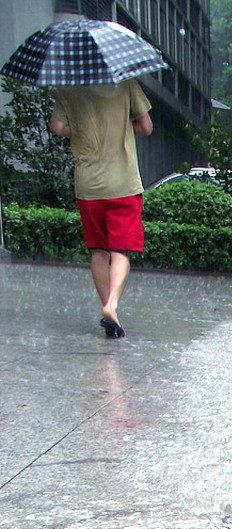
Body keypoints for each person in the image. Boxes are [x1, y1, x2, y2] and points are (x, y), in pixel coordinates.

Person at [49, 81, 153, 339]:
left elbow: (57, 127)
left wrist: (81, 129)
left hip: (88, 186)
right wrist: (121, 126)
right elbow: (146, 126)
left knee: (98, 250)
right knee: (121, 250)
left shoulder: (69, 88)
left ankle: (109, 310)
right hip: (123, 183)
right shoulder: (126, 83)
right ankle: (112, 305)